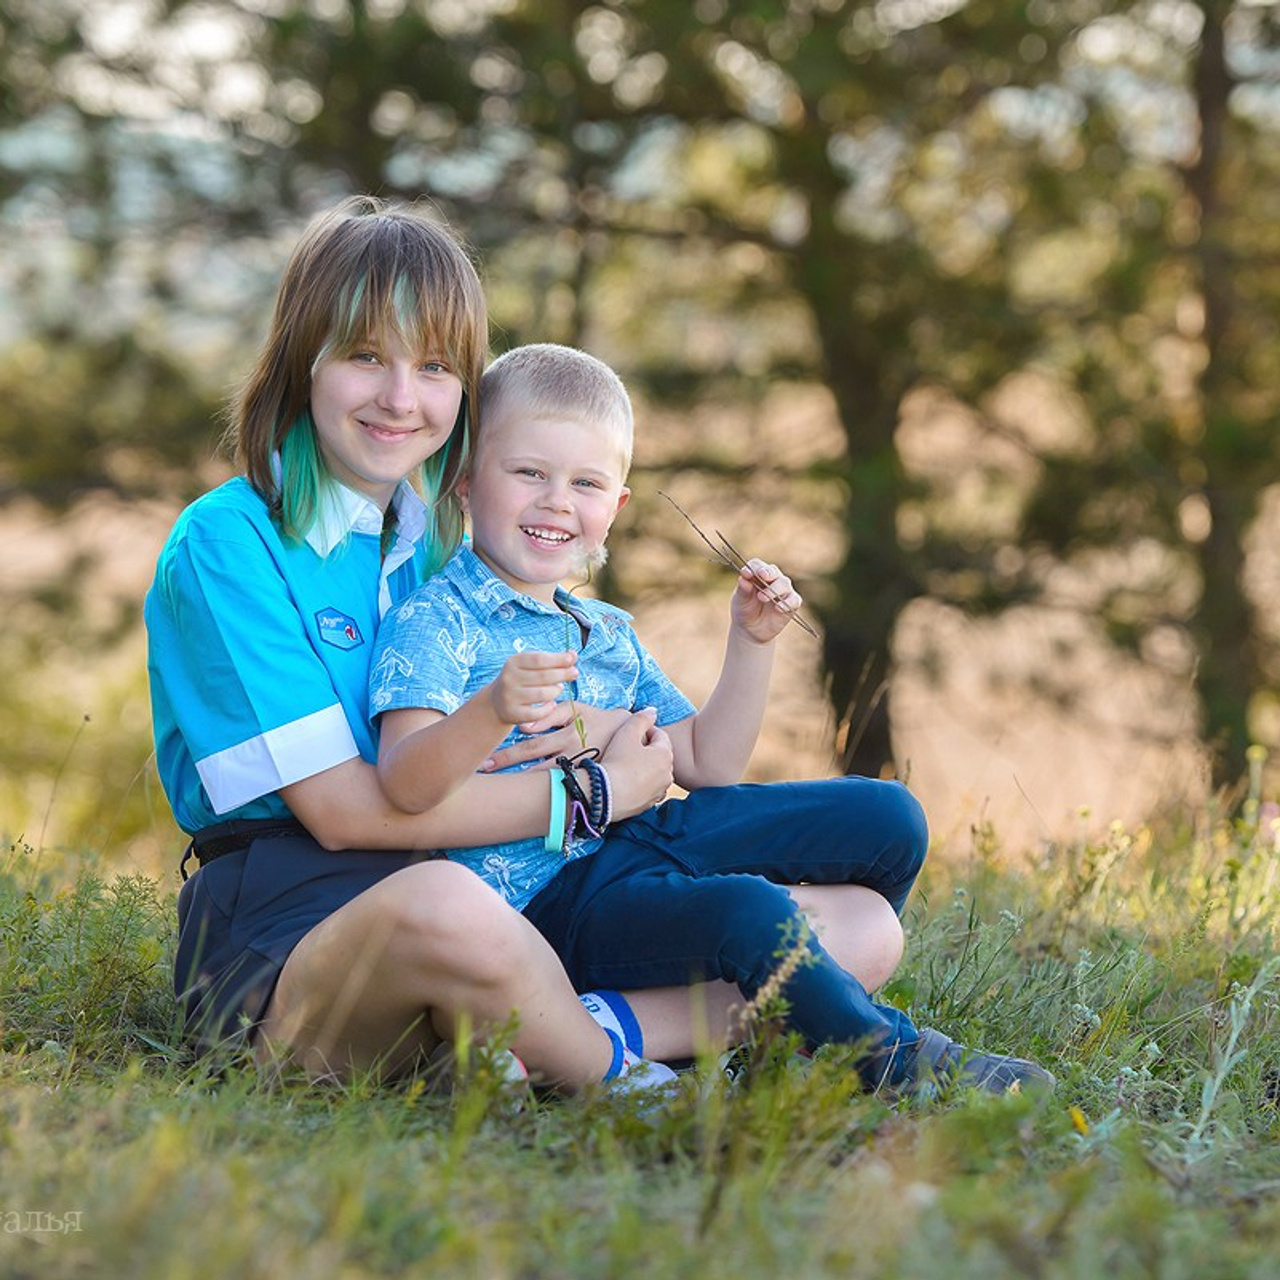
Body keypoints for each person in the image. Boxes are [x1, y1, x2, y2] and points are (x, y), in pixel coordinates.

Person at [144, 195, 905, 1095]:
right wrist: (591, 792)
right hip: (295, 924)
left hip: (495, 889)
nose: (400, 397)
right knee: (447, 906)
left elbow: (652, 739)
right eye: (362, 357)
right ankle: (622, 1079)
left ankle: (549, 1035)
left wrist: (604, 732)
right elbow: (347, 816)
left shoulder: (429, 534)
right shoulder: (230, 543)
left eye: (434, 366)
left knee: (859, 923)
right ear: (300, 361)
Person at [370, 343, 1056, 1096]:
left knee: (886, 815)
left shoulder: (605, 628)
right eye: (529, 472)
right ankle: (890, 1058)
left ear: (615, 508)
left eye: (587, 483)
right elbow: (405, 779)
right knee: (749, 910)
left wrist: (750, 643)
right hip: (543, 908)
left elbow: (705, 762)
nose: (557, 500)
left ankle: (791, 1017)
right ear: (465, 479)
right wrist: (492, 710)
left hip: (634, 845)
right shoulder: (437, 618)